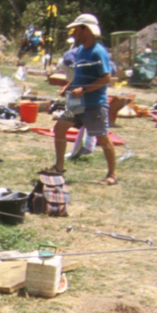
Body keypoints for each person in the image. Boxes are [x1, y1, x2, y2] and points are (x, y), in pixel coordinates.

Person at [43, 13, 118, 185]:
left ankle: (112, 175)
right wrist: (70, 85)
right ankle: (59, 167)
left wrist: (83, 89)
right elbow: (82, 74)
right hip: (77, 105)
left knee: (103, 139)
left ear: (87, 30)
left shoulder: (99, 52)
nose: (73, 32)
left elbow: (106, 78)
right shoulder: (81, 51)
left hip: (94, 105)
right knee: (60, 128)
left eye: (76, 29)